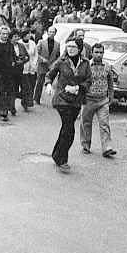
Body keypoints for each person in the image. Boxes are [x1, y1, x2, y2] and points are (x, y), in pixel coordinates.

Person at [45, 39, 93, 173]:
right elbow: (50, 74)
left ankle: (56, 154)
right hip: (62, 99)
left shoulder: (85, 63)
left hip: (76, 100)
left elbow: (89, 80)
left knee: (66, 129)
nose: (70, 49)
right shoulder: (62, 61)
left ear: (79, 49)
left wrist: (78, 87)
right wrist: (48, 85)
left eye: (73, 47)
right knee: (69, 130)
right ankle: (62, 159)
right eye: (68, 46)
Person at [80, 43, 117, 158]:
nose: (99, 55)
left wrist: (111, 95)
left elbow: (110, 81)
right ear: (92, 53)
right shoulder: (86, 65)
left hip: (102, 101)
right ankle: (86, 145)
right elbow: (80, 80)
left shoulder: (107, 66)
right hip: (88, 100)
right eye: (96, 52)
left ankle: (107, 147)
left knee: (104, 124)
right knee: (86, 123)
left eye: (101, 52)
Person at [34, 26, 60, 105]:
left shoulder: (57, 44)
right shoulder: (41, 42)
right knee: (40, 82)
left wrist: (55, 64)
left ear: (55, 33)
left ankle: (54, 100)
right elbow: (36, 53)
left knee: (50, 83)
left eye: (53, 32)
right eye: (50, 32)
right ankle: (36, 98)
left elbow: (58, 56)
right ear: (47, 32)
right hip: (42, 65)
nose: (51, 33)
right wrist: (42, 59)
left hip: (51, 66)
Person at [18, 30, 38, 111]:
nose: (29, 35)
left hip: (32, 68)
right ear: (23, 35)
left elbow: (36, 54)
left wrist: (34, 63)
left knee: (32, 85)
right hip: (23, 69)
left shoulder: (33, 43)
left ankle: (28, 101)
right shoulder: (19, 43)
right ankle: (24, 101)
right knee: (25, 86)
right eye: (27, 34)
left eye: (30, 34)